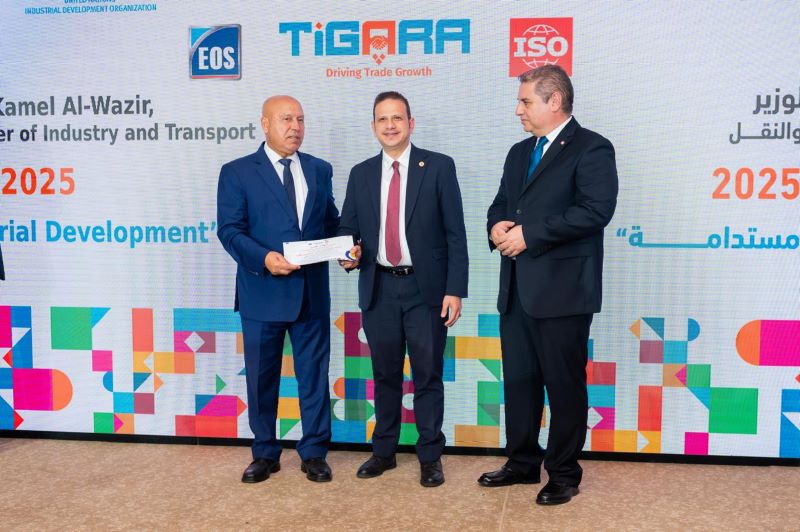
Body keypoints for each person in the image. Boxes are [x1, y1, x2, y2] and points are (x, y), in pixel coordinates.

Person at [480, 65, 618, 505]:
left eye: (525, 101)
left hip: (563, 293)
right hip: (517, 291)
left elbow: (595, 211)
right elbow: (502, 203)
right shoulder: (519, 152)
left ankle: (563, 473)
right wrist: (496, 227)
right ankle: (522, 463)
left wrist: (531, 235)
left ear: (554, 100)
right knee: (519, 382)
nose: (518, 110)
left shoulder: (592, 147)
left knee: (563, 385)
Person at [338, 91, 468, 487]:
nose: (390, 125)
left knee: (427, 375)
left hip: (426, 291)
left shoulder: (439, 167)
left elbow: (455, 234)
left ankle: (430, 456)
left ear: (411, 124)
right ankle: (384, 452)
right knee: (385, 374)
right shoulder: (360, 173)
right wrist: (348, 254)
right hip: (378, 287)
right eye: (382, 119)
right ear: (373, 126)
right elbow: (348, 229)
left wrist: (455, 289)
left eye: (397, 118)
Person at [217, 95, 339, 484]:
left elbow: (331, 223)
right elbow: (229, 230)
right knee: (261, 379)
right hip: (262, 292)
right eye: (286, 119)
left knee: (314, 378)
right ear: (265, 124)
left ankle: (314, 452)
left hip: (311, 295)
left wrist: (347, 249)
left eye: (300, 120)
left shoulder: (319, 169)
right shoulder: (237, 172)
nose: (295, 127)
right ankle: (265, 453)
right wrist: (264, 258)